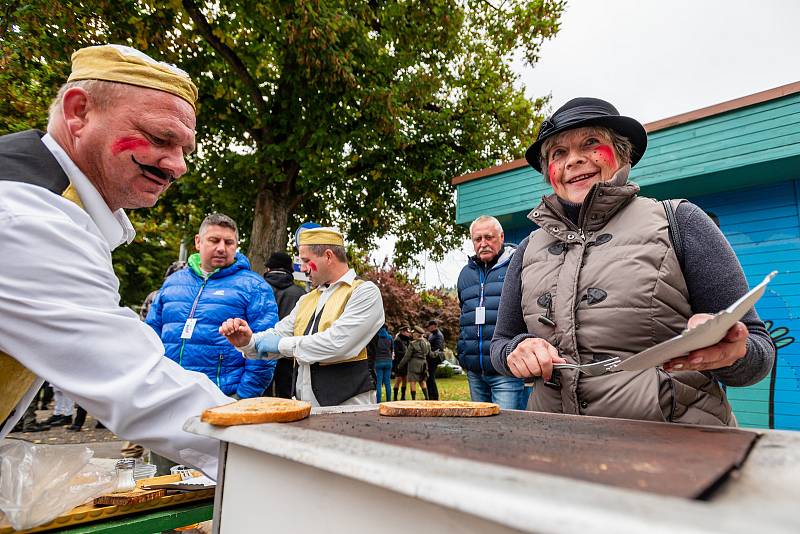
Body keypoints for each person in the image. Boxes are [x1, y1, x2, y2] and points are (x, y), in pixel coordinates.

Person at [0, 44, 231, 475]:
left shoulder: (41, 198)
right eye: (160, 138)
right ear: (78, 112)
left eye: (185, 150)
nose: (178, 166)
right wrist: (294, 457)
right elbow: (140, 387)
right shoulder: (27, 215)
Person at [490, 97, 776, 425]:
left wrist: (732, 352)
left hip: (672, 451)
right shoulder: (528, 248)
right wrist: (519, 349)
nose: (574, 160)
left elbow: (757, 349)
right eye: (558, 153)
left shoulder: (680, 221)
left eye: (591, 143)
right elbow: (501, 344)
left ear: (623, 154)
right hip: (556, 444)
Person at [220, 227, 384, 407]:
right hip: (305, 408)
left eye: (306, 261)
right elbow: (279, 333)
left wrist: (280, 344)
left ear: (328, 256)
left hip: (349, 409)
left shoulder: (365, 292)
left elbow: (337, 344)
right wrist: (247, 341)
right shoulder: (307, 299)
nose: (303, 268)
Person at [146, 213, 278, 400]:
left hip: (223, 396)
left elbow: (266, 347)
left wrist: (243, 396)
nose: (221, 248)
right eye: (214, 240)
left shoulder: (254, 287)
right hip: (167, 392)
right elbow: (150, 335)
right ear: (198, 242)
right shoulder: (172, 283)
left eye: (229, 242)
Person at [457, 216, 528, 410]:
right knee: (480, 429)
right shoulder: (465, 274)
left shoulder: (518, 266)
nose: (483, 244)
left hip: (505, 369)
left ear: (502, 236)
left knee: (507, 430)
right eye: (477, 239)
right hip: (475, 371)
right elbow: (463, 316)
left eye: (489, 237)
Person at [263, 251, 306, 398]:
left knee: (261, 395)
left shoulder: (259, 289)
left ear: (268, 269)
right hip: (288, 353)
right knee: (285, 397)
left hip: (262, 349)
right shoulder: (300, 294)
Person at [398, 326, 431, 400]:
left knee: (413, 381)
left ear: (416, 334)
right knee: (422, 381)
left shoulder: (412, 344)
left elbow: (407, 357)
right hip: (423, 364)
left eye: (413, 333)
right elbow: (430, 354)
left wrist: (400, 365)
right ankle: (427, 398)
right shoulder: (427, 343)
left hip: (413, 365)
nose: (412, 334)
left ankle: (413, 399)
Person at [368, 324, 394, 403]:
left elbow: (373, 350)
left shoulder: (375, 337)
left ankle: (378, 401)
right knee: (387, 382)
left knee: (379, 383)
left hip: (378, 362)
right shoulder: (390, 337)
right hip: (388, 361)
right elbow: (392, 348)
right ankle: (389, 401)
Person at [425, 320, 444, 400]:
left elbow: (438, 347)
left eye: (430, 326)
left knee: (431, 377)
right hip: (431, 358)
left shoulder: (438, 335)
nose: (429, 328)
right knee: (429, 377)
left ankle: (434, 396)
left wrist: (426, 349)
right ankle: (430, 395)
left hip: (435, 358)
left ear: (435, 326)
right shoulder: (432, 335)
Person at [392, 325, 412, 401]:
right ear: (403, 332)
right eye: (407, 332)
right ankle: (395, 397)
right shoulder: (397, 340)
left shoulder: (408, 340)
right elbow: (397, 352)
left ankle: (403, 396)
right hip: (399, 363)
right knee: (398, 380)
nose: (408, 333)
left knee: (405, 380)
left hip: (406, 363)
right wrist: (407, 353)